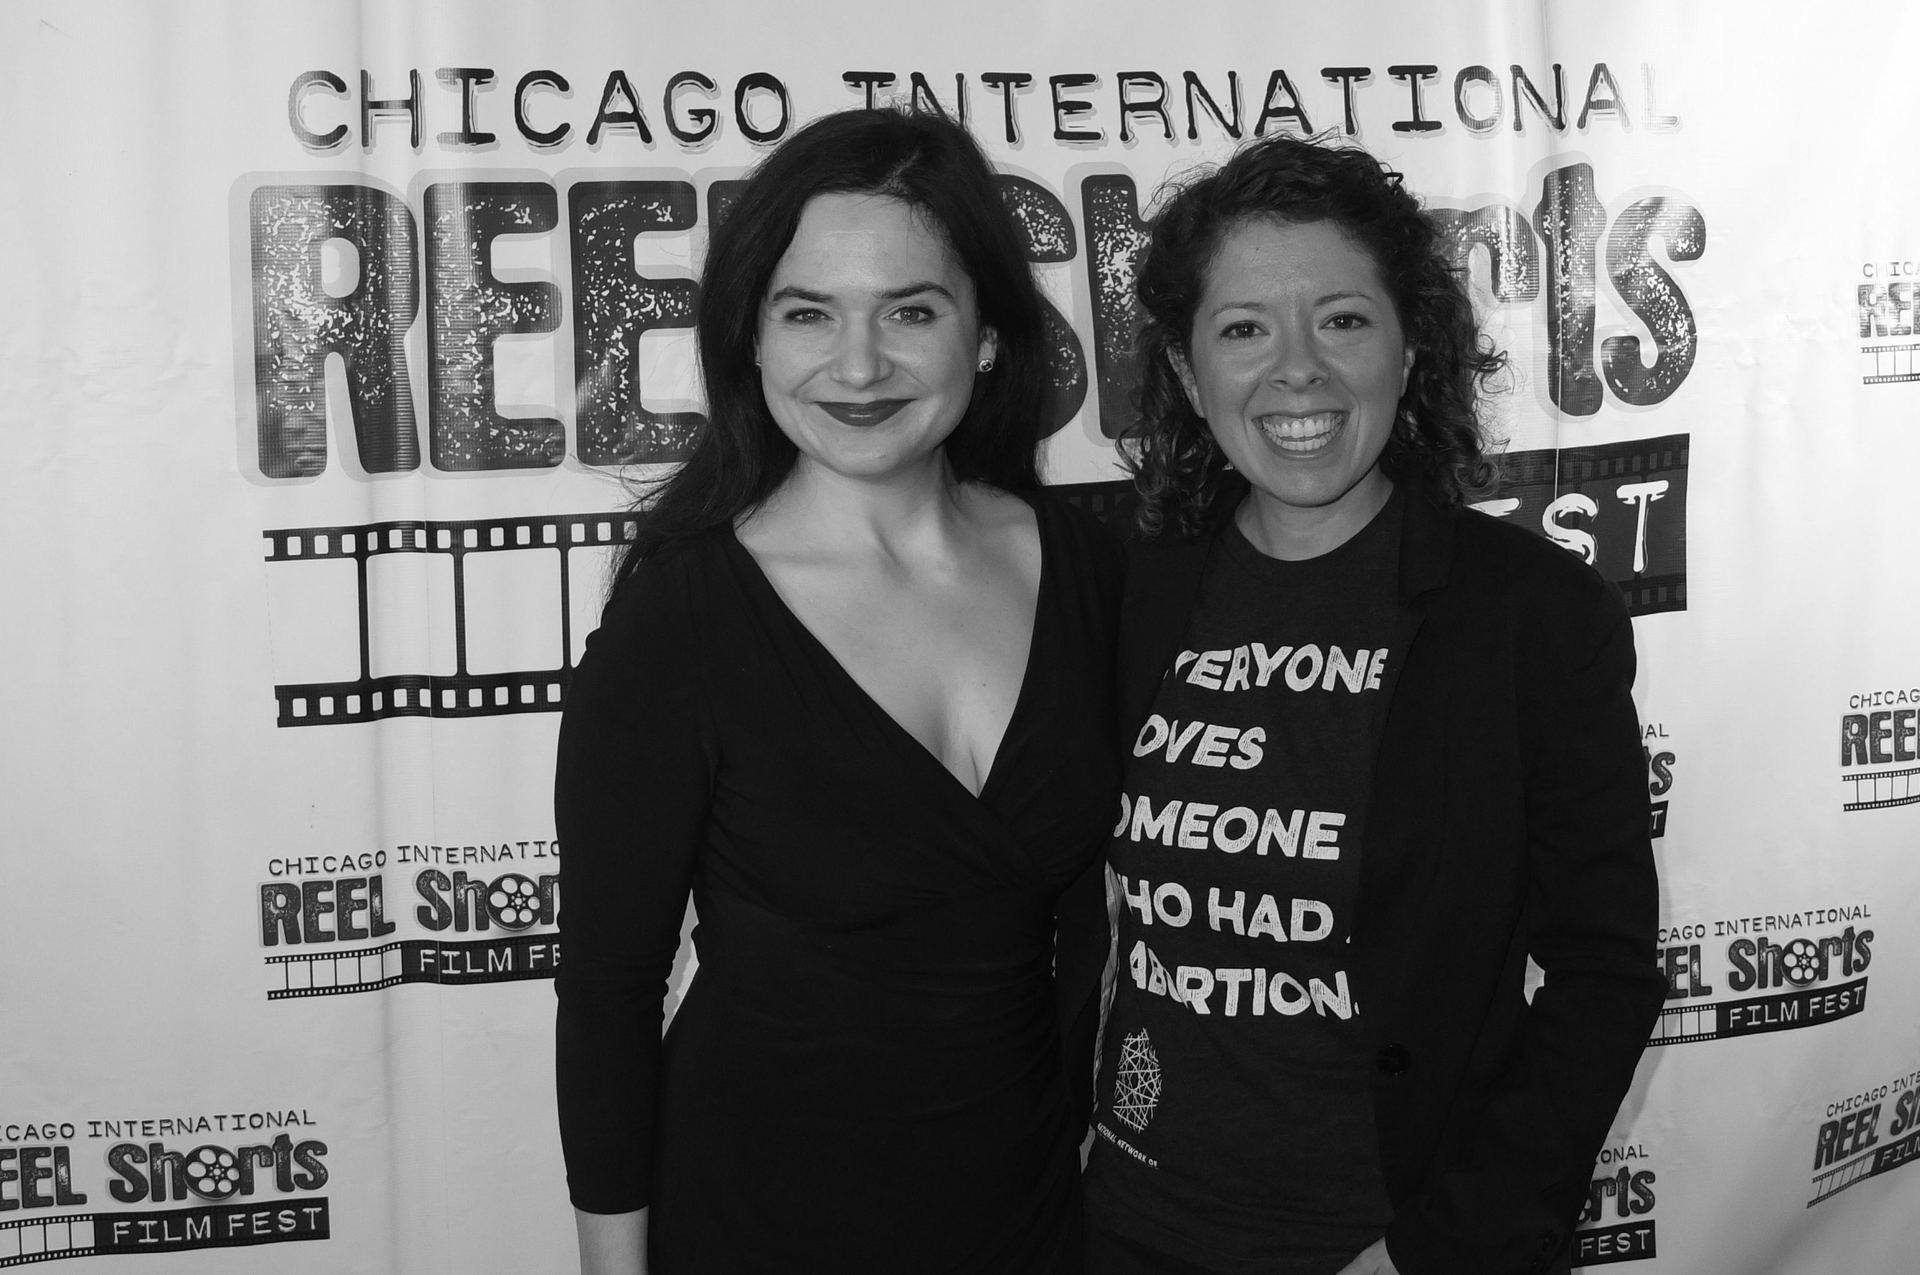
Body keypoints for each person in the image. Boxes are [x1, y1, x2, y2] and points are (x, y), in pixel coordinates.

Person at [1082, 134, 1664, 1275]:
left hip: (1392, 1244)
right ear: (1192, 377)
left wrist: (1433, 1251)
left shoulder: (1528, 615)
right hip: (1131, 1231)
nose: (1296, 370)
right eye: (1244, 329)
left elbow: (1605, 973)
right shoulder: (1124, 589)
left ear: (1410, 352)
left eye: (1342, 320)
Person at [552, 107, 1121, 1274]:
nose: (858, 367)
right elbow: (609, 990)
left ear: (991, 338)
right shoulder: (683, 615)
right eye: (808, 312)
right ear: (750, 341)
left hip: (1029, 1209)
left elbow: (1093, 928)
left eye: (911, 311)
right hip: (760, 1216)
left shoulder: (1092, 570)